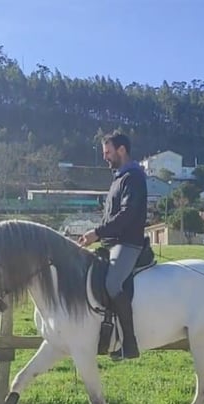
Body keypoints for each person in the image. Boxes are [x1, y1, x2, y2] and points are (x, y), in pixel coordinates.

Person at [78, 132, 148, 360]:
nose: (105, 157)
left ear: (121, 150)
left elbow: (127, 215)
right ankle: (109, 335)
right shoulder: (119, 178)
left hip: (128, 244)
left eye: (108, 152)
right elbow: (111, 217)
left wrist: (97, 233)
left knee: (112, 282)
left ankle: (129, 341)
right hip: (111, 243)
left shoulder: (133, 177)